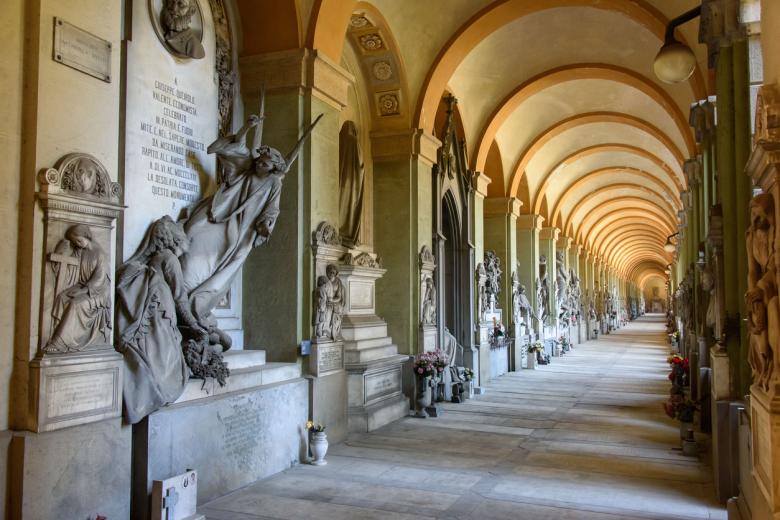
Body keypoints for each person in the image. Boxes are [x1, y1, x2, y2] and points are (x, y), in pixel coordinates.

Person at [116, 216, 198, 424]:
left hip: (153, 315)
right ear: (174, 241)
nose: (184, 251)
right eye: (182, 244)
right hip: (161, 315)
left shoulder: (153, 258)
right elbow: (180, 298)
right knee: (167, 365)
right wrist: (194, 324)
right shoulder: (170, 259)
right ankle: (158, 389)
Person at [45, 224, 111, 353]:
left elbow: (100, 278)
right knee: (62, 297)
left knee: (76, 304)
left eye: (79, 241)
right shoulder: (80, 252)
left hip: (97, 292)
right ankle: (55, 332)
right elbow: (70, 268)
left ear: (87, 236)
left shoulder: (99, 253)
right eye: (75, 242)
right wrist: (59, 253)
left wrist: (83, 290)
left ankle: (60, 342)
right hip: (82, 286)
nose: (78, 244)